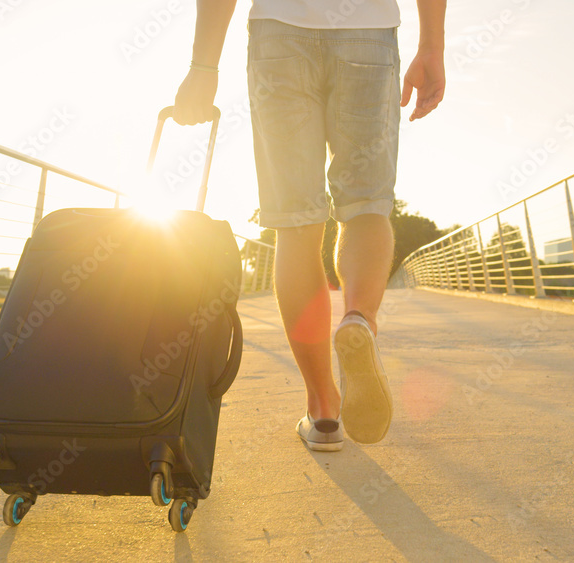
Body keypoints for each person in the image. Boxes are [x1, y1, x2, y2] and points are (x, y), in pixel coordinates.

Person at [174, 0, 446, 451]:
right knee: (366, 206)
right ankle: (358, 319)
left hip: (279, 33)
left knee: (296, 224)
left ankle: (323, 411)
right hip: (369, 30)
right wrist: (431, 47)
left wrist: (204, 66)